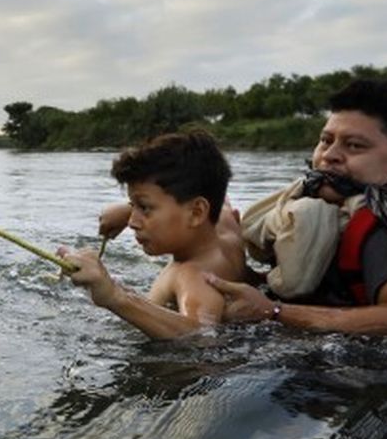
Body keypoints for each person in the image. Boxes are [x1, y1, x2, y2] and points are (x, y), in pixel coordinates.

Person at [207, 78, 387, 338]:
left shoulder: (384, 231)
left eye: (354, 146)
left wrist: (275, 313)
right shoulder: (331, 213)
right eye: (326, 141)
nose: (329, 156)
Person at [57, 129, 247, 339]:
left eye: (144, 208)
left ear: (197, 212)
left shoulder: (193, 276)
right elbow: (220, 198)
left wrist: (114, 295)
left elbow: (201, 334)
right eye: (133, 206)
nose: (132, 222)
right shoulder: (229, 231)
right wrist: (130, 207)